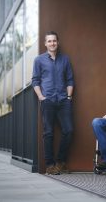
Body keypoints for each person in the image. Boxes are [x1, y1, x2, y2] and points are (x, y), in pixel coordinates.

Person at [32, 31, 74, 175]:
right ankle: (50, 165)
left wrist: (69, 96)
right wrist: (41, 97)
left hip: (63, 100)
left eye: (54, 41)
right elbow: (35, 81)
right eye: (49, 41)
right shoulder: (39, 60)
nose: (52, 43)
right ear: (45, 44)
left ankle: (60, 162)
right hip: (47, 100)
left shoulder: (65, 59)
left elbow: (70, 80)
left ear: (57, 42)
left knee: (68, 130)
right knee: (48, 133)